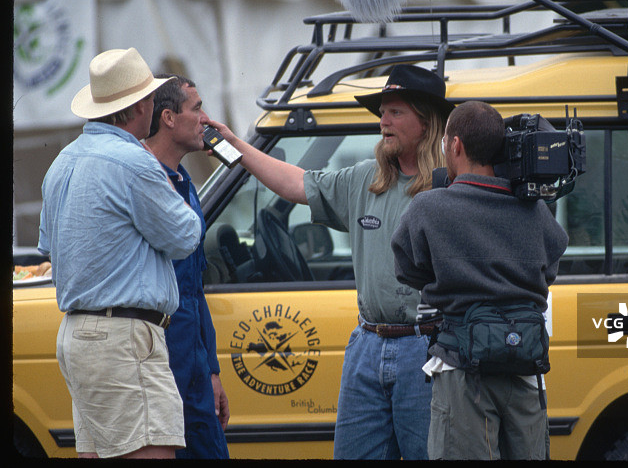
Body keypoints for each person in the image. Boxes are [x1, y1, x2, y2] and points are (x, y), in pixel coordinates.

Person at [208, 64, 453, 459]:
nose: (383, 123)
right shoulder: (364, 179)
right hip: (367, 343)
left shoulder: (453, 187)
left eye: (395, 112)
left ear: (426, 122)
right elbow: (293, 183)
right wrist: (235, 145)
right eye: (381, 113)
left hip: (426, 349)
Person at [38, 48, 202, 458]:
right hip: (123, 339)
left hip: (77, 335)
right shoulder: (134, 161)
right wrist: (168, 177)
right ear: (142, 106)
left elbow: (49, 246)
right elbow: (185, 237)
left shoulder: (63, 161)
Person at [390, 100, 568, 460]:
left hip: (461, 368)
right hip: (525, 365)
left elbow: (406, 269)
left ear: (455, 146)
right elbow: (551, 262)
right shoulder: (535, 210)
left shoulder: (428, 208)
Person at [144, 74, 231, 459]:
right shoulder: (142, 178)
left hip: (192, 363)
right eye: (196, 109)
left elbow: (194, 286)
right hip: (158, 361)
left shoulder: (184, 181)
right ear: (168, 117)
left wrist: (210, 369)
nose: (205, 119)